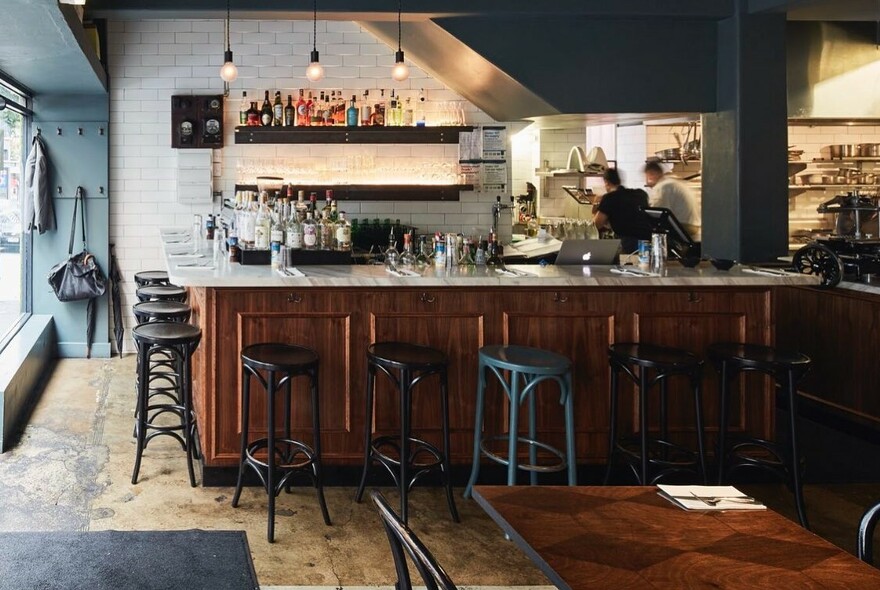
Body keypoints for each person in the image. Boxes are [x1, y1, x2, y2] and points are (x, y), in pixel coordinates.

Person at [592, 168, 653, 253]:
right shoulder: (640, 193)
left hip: (628, 243)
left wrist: (595, 204)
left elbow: (596, 225)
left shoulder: (609, 198)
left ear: (606, 182)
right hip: (649, 240)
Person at [643, 161, 700, 239]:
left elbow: (658, 212)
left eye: (646, 176)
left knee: (646, 231)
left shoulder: (663, 186)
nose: (646, 180)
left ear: (651, 174)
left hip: (684, 226)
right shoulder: (672, 182)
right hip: (693, 225)